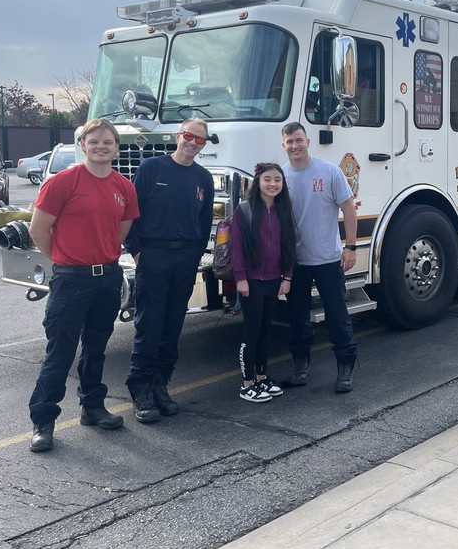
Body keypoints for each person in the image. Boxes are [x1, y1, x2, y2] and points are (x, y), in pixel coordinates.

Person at [27, 119, 139, 453]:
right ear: (83, 145)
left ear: (116, 148)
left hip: (107, 277)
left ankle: (92, 407)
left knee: (96, 348)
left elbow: (120, 232)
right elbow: (38, 229)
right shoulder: (63, 182)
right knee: (60, 352)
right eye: (94, 141)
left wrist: (101, 259)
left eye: (108, 142)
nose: (101, 146)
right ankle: (43, 420)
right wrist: (64, 259)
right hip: (71, 279)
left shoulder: (124, 187)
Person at [123, 118, 215, 423]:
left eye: (199, 140)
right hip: (152, 256)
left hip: (185, 260)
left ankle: (161, 386)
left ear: (203, 145)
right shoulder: (152, 168)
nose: (193, 142)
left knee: (173, 325)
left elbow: (204, 224)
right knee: (149, 325)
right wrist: (137, 252)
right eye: (189, 135)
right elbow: (132, 213)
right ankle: (141, 390)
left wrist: (195, 255)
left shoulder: (203, 178)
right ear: (178, 136)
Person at [281, 122, 359, 392]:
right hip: (295, 262)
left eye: (299, 140)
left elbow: (348, 209)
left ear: (307, 142)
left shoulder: (329, 171)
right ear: (284, 146)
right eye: (290, 141)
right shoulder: (280, 178)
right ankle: (301, 367)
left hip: (328, 259)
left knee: (337, 316)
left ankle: (345, 369)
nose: (295, 146)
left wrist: (350, 247)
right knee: (297, 317)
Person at [231, 162, 297, 403]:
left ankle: (261, 377)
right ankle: (246, 383)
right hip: (251, 282)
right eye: (267, 179)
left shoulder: (284, 210)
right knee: (252, 332)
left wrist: (287, 276)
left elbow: (289, 245)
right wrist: (241, 278)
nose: (273, 184)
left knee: (266, 332)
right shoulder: (245, 210)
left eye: (277, 180)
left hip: (274, 281)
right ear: (258, 182)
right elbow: (236, 247)